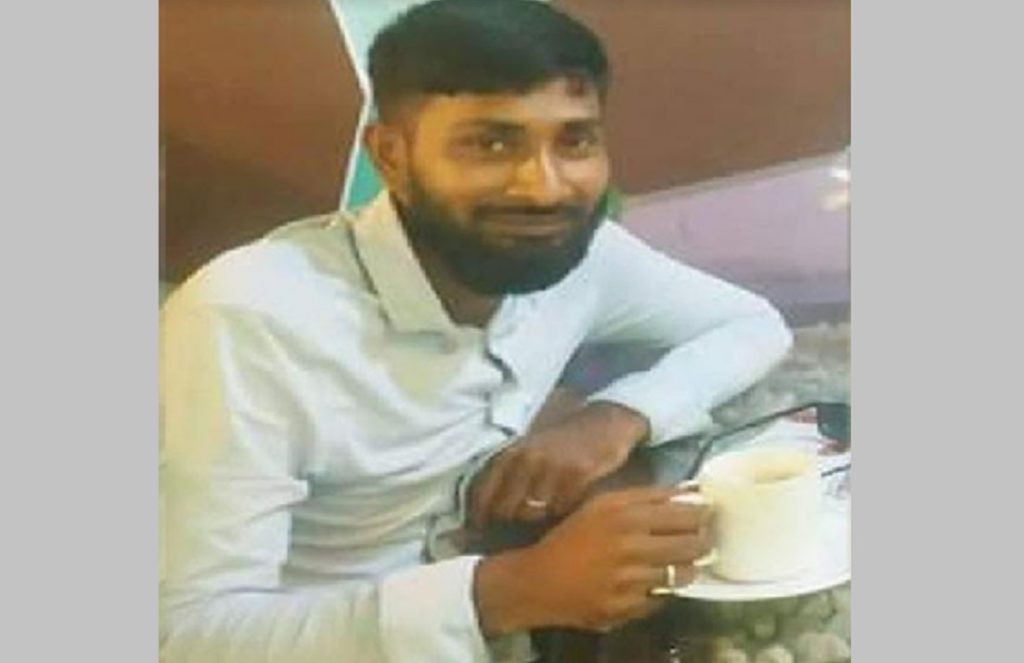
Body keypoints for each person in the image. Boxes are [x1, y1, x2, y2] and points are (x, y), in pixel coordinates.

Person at [159, 1, 793, 661]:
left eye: (575, 141)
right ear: (391, 156)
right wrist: (509, 591)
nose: (545, 188)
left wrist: (614, 419)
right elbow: (184, 638)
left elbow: (752, 325)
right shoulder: (250, 318)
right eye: (492, 144)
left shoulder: (577, 255)